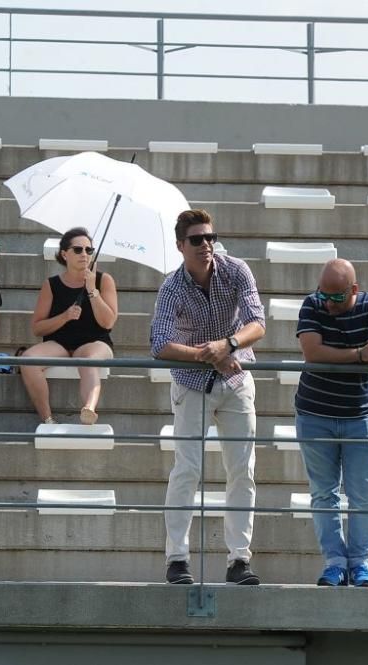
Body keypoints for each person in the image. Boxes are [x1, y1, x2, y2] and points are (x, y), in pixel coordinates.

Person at [150, 209, 266, 586]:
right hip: (191, 380)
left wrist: (227, 345)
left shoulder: (236, 269)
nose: (206, 245)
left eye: (210, 237)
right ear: (180, 245)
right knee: (187, 470)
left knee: (242, 471)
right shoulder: (171, 287)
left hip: (235, 378)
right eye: (197, 240)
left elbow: (257, 323)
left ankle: (239, 560)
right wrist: (207, 354)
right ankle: (177, 559)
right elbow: (159, 344)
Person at [295, 259, 368, 587]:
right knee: (324, 494)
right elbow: (312, 353)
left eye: (337, 297)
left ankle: (360, 562)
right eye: (324, 295)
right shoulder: (312, 303)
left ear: (354, 290)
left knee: (365, 494)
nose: (327, 303)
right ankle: (335, 561)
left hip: (360, 415)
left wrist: (355, 353)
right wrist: (357, 354)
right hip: (314, 414)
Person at [20, 227, 118, 425]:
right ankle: (47, 419)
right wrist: (64, 317)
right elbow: (37, 328)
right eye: (78, 249)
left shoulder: (103, 280)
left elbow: (108, 322)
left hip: (95, 342)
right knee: (28, 360)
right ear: (64, 254)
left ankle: (89, 409)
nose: (84, 254)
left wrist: (92, 291)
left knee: (88, 359)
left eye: (89, 250)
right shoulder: (52, 284)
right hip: (60, 343)